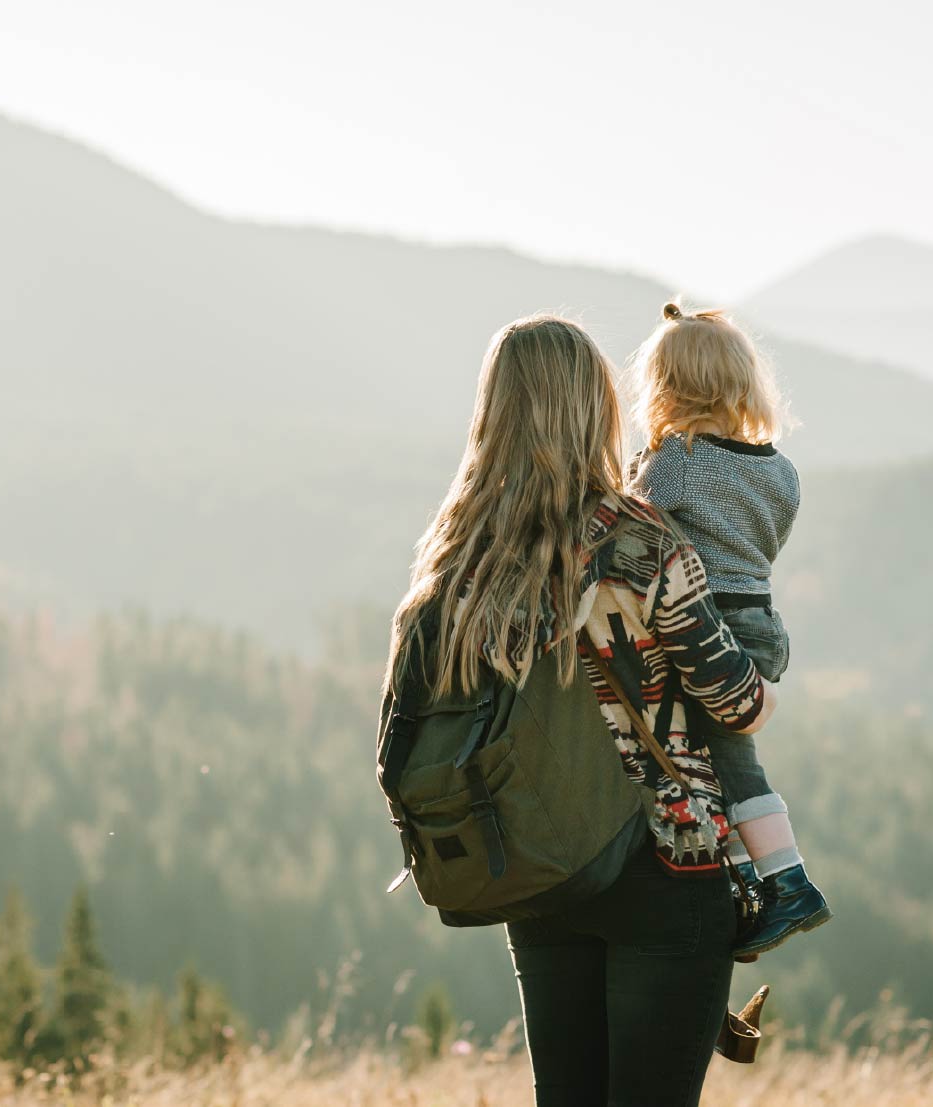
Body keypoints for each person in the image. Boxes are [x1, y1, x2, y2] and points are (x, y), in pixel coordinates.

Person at [384, 314, 775, 1106]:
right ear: (596, 410)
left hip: (541, 866)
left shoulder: (458, 560)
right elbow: (734, 703)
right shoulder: (638, 541)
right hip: (669, 864)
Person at [629, 302, 831, 960]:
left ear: (665, 386)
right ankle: (741, 880)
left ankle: (787, 884)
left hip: (706, 625)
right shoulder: (779, 469)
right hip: (761, 623)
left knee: (731, 764)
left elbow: (627, 522)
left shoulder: (677, 458)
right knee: (717, 758)